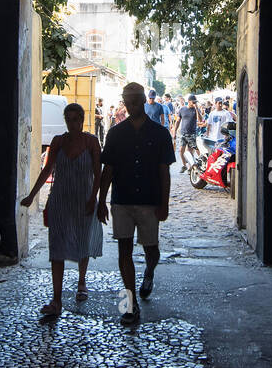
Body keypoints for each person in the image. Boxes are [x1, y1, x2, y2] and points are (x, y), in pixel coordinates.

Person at [98, 82, 175, 322]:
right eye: (127, 102)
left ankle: (149, 272)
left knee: (151, 248)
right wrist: (102, 200)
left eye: (134, 102)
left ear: (143, 100)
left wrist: (165, 203)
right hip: (122, 200)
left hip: (149, 200)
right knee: (124, 249)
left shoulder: (160, 133)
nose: (130, 106)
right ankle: (129, 305)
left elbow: (165, 172)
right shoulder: (115, 133)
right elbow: (107, 170)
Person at [20, 102, 102, 319]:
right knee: (57, 246)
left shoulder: (92, 142)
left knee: (83, 240)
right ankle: (56, 298)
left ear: (82, 121)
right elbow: (47, 169)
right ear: (65, 121)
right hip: (60, 200)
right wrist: (32, 195)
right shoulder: (58, 142)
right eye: (69, 119)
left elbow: (98, 173)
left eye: (76, 119)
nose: (73, 123)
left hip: (84, 200)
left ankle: (82, 280)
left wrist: (95, 198)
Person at [176, 93, 203, 171]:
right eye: (193, 101)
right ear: (189, 101)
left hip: (192, 133)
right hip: (183, 133)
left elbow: (200, 120)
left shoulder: (195, 110)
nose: (194, 103)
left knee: (190, 151)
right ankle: (184, 165)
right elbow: (178, 121)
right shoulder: (182, 109)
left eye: (195, 102)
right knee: (181, 150)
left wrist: (197, 108)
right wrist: (174, 130)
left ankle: (190, 167)